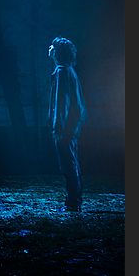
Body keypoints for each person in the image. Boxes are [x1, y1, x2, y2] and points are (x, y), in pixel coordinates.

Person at [48, 37, 87, 212]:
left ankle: (73, 202)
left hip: (66, 128)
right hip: (72, 127)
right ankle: (75, 200)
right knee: (72, 163)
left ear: (58, 52)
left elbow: (61, 102)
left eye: (53, 47)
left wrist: (58, 127)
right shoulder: (68, 70)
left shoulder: (62, 72)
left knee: (68, 165)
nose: (49, 49)